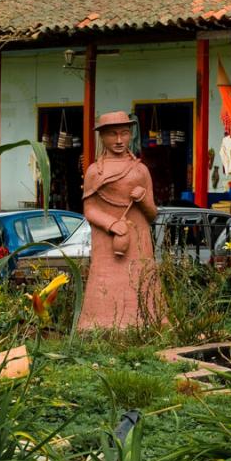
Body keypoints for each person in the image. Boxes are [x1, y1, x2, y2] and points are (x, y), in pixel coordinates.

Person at [78, 111, 160, 330]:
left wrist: (142, 199)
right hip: (108, 246)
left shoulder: (140, 170)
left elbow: (152, 214)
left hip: (138, 242)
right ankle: (97, 324)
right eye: (112, 134)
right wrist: (112, 224)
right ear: (102, 137)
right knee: (105, 286)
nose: (119, 140)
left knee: (140, 282)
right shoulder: (95, 171)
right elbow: (89, 208)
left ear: (130, 135)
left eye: (124, 134)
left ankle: (148, 322)